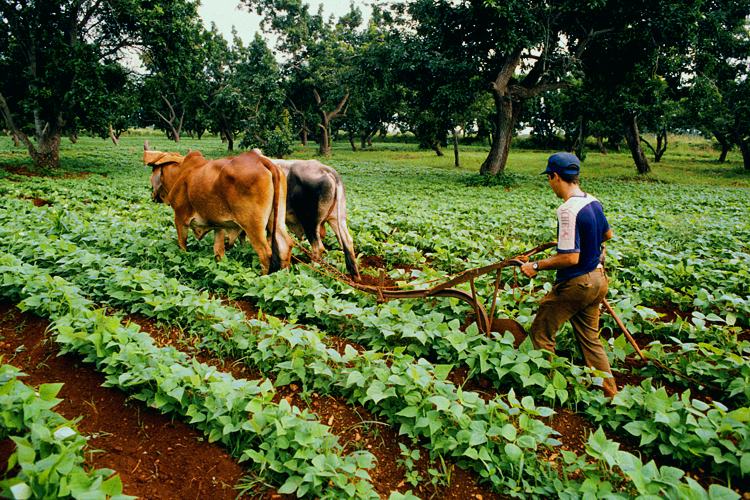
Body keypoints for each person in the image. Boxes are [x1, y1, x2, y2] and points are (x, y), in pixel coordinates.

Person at [520, 152, 618, 398]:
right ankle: (610, 394)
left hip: (577, 283)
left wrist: (536, 266)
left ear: (554, 176)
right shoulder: (593, 202)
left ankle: (552, 391)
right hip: (598, 280)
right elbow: (607, 235)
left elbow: (570, 258)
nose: (550, 184)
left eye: (549, 178)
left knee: (541, 333)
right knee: (590, 340)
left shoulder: (567, 210)